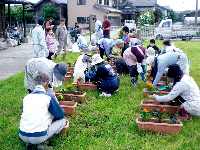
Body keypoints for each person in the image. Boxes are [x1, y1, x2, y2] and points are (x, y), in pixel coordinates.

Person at [19, 73, 66, 150]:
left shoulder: (26, 97)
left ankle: (29, 143)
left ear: (35, 84)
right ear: (47, 84)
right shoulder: (49, 97)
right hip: (38, 136)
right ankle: (42, 144)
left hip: (22, 135)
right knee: (62, 121)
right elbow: (60, 115)